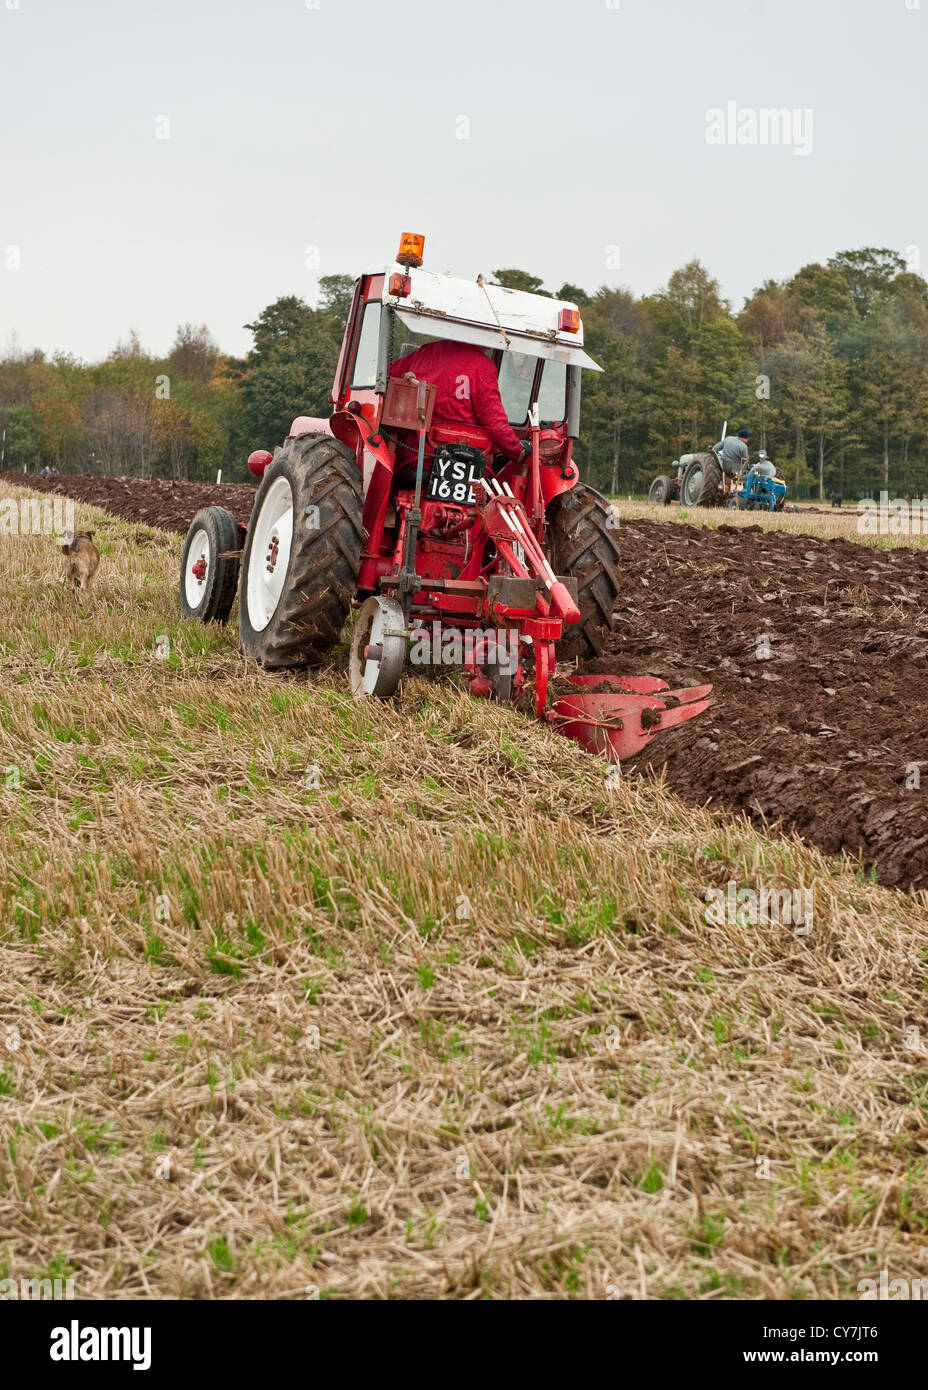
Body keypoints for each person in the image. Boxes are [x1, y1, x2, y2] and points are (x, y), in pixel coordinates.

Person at [388, 339, 531, 466]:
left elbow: (387, 373)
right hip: (463, 463)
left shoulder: (426, 352)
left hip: (409, 458)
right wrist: (517, 451)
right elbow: (494, 421)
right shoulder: (483, 366)